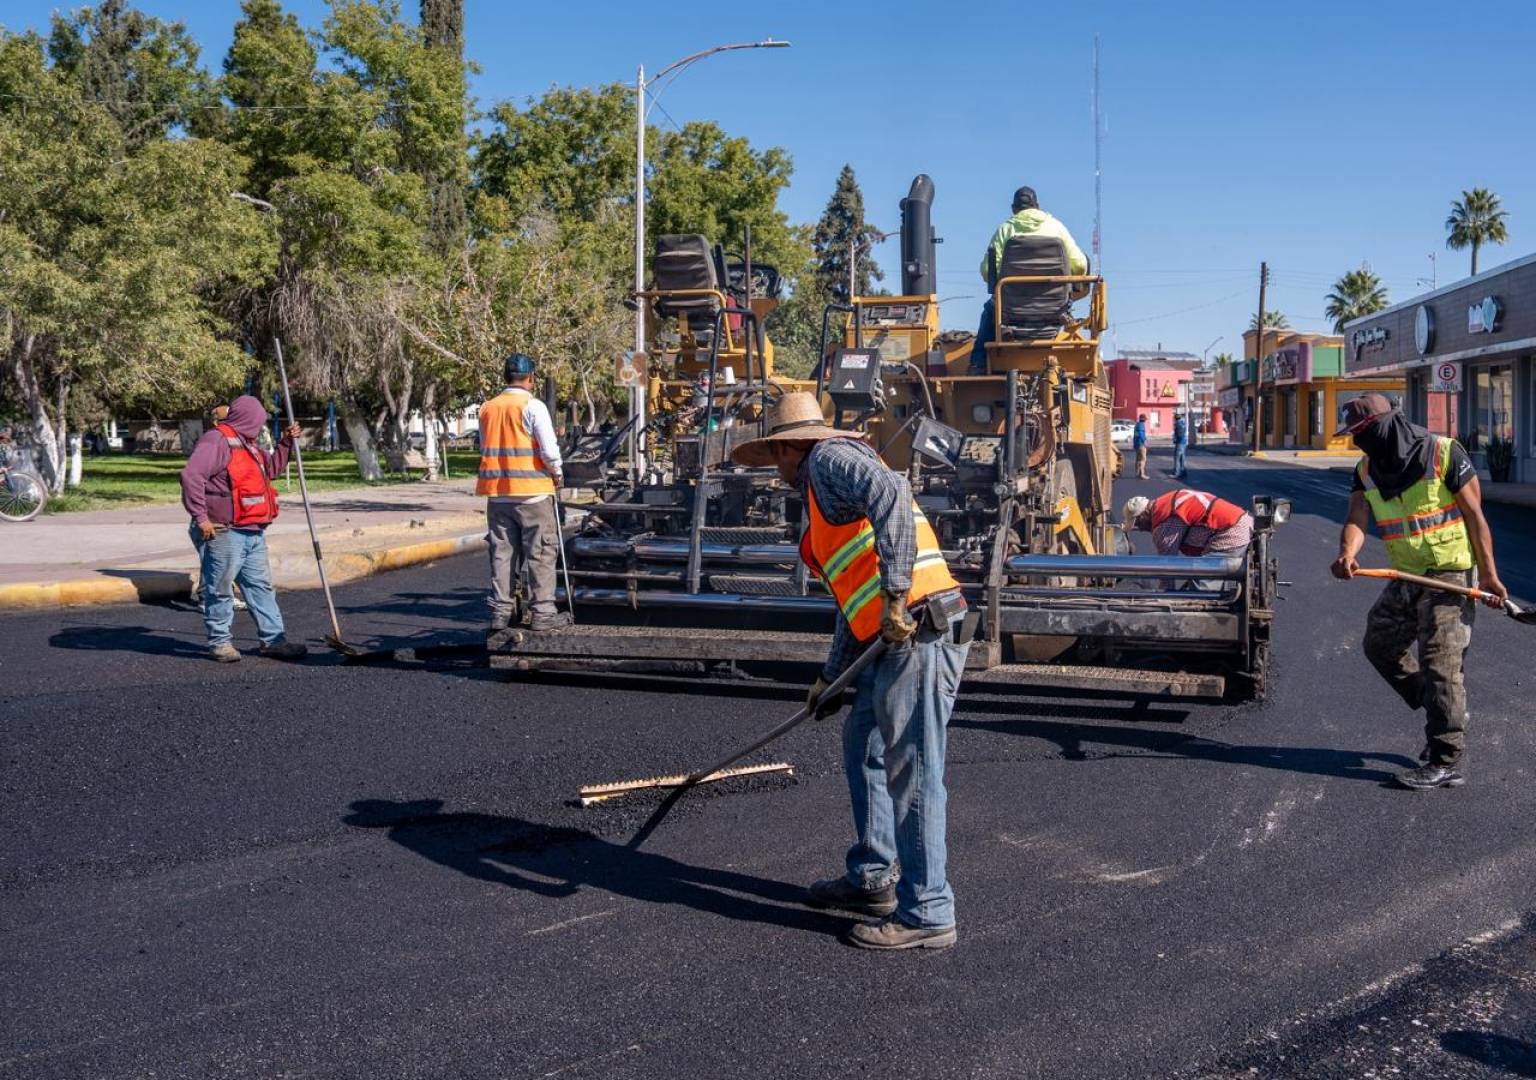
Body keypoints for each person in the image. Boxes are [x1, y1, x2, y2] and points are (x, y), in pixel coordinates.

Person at [731, 392, 972, 951]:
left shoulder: (831, 459)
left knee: (913, 767)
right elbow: (852, 600)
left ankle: (928, 910)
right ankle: (873, 877)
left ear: (790, 447)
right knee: (862, 742)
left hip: (918, 628)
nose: (774, 470)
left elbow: (893, 492)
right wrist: (830, 679)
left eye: (775, 456)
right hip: (889, 636)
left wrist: (896, 596)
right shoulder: (821, 492)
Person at [1330, 393, 1508, 791]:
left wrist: (1489, 576)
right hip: (1407, 574)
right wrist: (1347, 552)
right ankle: (1442, 706)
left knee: (1440, 662)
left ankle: (1446, 757)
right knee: (1379, 643)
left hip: (1449, 575)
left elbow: (1475, 516)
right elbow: (1357, 515)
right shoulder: (1367, 469)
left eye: (1362, 433)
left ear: (1385, 426)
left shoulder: (1443, 453)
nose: (1358, 442)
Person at [179, 395, 307, 663]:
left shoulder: (248, 444)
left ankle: (274, 641)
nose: (260, 426)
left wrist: (286, 443)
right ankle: (220, 642)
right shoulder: (217, 440)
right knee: (220, 587)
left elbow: (270, 470)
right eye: (258, 421)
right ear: (248, 418)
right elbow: (192, 476)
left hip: (252, 530)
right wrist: (201, 517)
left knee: (260, 587)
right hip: (224, 531)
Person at [478, 352, 569, 633]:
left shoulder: (487, 408)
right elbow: (549, 451)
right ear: (531, 377)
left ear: (506, 377)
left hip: (498, 494)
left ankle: (500, 613)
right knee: (541, 553)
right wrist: (557, 473)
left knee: (502, 554)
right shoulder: (533, 406)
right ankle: (542, 614)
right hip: (533, 494)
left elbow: (485, 447)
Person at [969, 186, 1088, 374]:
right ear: (1038, 206)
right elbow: (1080, 265)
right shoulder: (1056, 227)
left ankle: (978, 364)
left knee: (989, 310)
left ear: (1014, 209)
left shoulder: (1006, 229)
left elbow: (987, 271)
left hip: (1012, 310)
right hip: (1055, 309)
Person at [1121, 489, 1253, 556]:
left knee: (1204, 580)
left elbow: (1167, 566)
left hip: (1231, 532)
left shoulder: (1164, 525)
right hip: (1245, 521)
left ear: (1143, 515)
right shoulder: (1167, 501)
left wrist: (1166, 595)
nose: (1140, 529)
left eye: (1137, 524)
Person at [1172, 413, 1189, 479]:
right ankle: (1183, 472)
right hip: (1184, 442)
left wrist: (1175, 439)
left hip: (1179, 443)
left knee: (1177, 458)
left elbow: (1179, 434)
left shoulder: (1178, 424)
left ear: (1175, 418)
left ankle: (1176, 473)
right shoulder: (1183, 423)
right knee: (1182, 458)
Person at [1133, 414, 1149, 479]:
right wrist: (1144, 441)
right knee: (1143, 459)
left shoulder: (1137, 425)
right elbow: (1141, 434)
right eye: (1145, 419)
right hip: (1141, 444)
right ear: (1143, 419)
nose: (1146, 420)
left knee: (1138, 459)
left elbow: (1135, 435)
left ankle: (1137, 473)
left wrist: (1134, 445)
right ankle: (1142, 474)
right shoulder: (1141, 425)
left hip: (1137, 444)